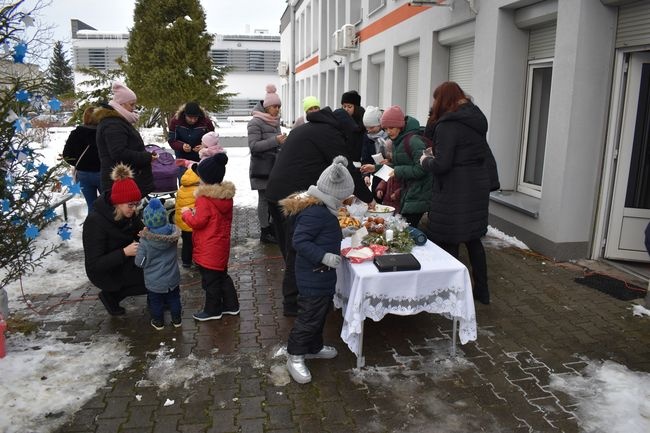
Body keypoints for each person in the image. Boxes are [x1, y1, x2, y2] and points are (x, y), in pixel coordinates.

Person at [265, 106, 374, 316]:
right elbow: (346, 168)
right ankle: (295, 304)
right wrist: (368, 198)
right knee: (296, 249)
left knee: (292, 249)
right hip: (291, 198)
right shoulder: (329, 134)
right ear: (342, 128)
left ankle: (298, 298)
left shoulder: (309, 128)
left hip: (278, 192)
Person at [280, 155, 355, 384]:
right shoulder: (316, 212)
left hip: (321, 276)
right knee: (309, 317)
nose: (345, 201)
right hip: (313, 275)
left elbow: (320, 234)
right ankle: (295, 355)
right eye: (343, 197)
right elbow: (300, 241)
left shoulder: (323, 208)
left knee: (320, 313)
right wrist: (324, 256)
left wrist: (340, 234)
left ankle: (313, 346)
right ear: (335, 193)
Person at [420, 81, 494, 305]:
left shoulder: (448, 125)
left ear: (442, 100)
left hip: (455, 190)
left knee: (450, 242)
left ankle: (451, 294)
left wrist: (426, 160)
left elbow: (443, 165)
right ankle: (482, 291)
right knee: (473, 240)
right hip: (476, 187)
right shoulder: (475, 120)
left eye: (436, 100)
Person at [82, 163, 147, 316]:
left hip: (124, 261)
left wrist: (145, 232)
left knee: (157, 270)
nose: (134, 208)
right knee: (150, 278)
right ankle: (110, 295)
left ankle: (156, 298)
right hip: (105, 271)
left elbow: (138, 229)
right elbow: (95, 265)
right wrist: (124, 252)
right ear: (117, 202)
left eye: (137, 204)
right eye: (131, 205)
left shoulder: (129, 212)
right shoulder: (95, 222)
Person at [181, 153, 240, 321]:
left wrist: (187, 214)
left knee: (210, 282)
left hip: (208, 247)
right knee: (222, 276)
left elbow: (198, 222)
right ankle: (231, 305)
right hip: (220, 246)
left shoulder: (205, 199)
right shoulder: (224, 197)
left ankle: (212, 310)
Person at [360, 105, 432, 227]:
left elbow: (423, 168)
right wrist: (375, 168)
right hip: (409, 192)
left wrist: (398, 171)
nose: (388, 132)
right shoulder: (397, 141)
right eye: (386, 128)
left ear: (400, 125)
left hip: (419, 193)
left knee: (406, 229)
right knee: (404, 228)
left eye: (392, 128)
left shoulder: (413, 141)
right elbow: (397, 166)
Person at [95, 81, 156, 196]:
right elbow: (119, 153)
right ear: (121, 104)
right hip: (120, 183)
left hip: (124, 180)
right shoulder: (113, 124)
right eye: (131, 104)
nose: (134, 108)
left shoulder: (117, 122)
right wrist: (146, 157)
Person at [248, 84, 286, 244]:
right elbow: (254, 146)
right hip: (262, 168)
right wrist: (275, 141)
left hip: (275, 167)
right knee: (264, 199)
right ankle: (265, 231)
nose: (277, 109)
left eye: (278, 106)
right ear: (267, 107)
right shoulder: (255, 122)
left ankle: (273, 227)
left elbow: (275, 143)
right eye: (274, 106)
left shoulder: (274, 121)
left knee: (276, 198)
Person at [136, 198, 182, 330]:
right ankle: (177, 319)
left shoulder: (145, 242)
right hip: (172, 278)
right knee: (174, 299)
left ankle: (158, 322)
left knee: (156, 303)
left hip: (154, 282)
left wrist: (143, 237)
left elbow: (140, 263)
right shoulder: (172, 235)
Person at [61, 106, 101, 210]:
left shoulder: (76, 134)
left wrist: (80, 163)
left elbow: (67, 155)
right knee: (108, 205)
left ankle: (92, 225)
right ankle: (108, 225)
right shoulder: (103, 133)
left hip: (83, 174)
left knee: (91, 206)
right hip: (102, 173)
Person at [360, 105, 389, 203]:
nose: (369, 130)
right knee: (377, 199)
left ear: (380, 124)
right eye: (367, 128)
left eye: (371, 127)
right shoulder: (367, 137)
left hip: (390, 174)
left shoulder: (390, 136)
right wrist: (366, 175)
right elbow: (365, 158)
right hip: (377, 175)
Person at [175, 161, 200, 268]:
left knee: (186, 243)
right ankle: (197, 261)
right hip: (192, 222)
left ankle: (186, 261)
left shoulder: (181, 189)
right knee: (195, 244)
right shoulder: (198, 190)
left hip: (183, 221)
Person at [336, 90, 366, 162]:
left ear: (356, 107)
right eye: (344, 106)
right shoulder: (339, 118)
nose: (346, 109)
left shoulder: (362, 119)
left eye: (349, 107)